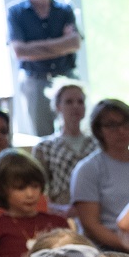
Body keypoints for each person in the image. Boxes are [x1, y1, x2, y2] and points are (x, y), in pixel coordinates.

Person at [6, 0, 81, 137]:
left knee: (73, 131)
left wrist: (35, 47)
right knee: (42, 135)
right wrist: (61, 43)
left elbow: (75, 43)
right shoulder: (16, 13)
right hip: (35, 80)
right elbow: (19, 51)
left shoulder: (64, 10)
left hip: (65, 77)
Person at [71, 99, 129, 252]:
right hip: (112, 251)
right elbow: (91, 226)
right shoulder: (88, 169)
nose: (121, 131)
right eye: (112, 125)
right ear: (99, 130)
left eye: (126, 124)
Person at [32, 79, 96, 213]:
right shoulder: (45, 147)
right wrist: (59, 210)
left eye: (80, 102)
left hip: (95, 208)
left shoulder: (97, 144)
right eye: (69, 102)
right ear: (57, 106)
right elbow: (37, 188)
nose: (75, 106)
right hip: (62, 210)